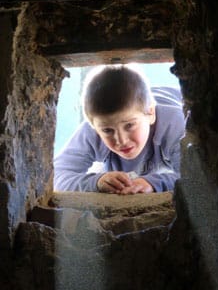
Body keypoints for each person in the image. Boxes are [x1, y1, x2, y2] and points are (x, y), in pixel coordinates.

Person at [53, 64, 185, 194]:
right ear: (94, 127)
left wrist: (154, 183)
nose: (121, 140)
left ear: (151, 114)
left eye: (129, 125)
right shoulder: (93, 129)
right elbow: (55, 176)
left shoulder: (175, 126)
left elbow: (197, 179)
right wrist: (96, 182)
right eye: (107, 131)